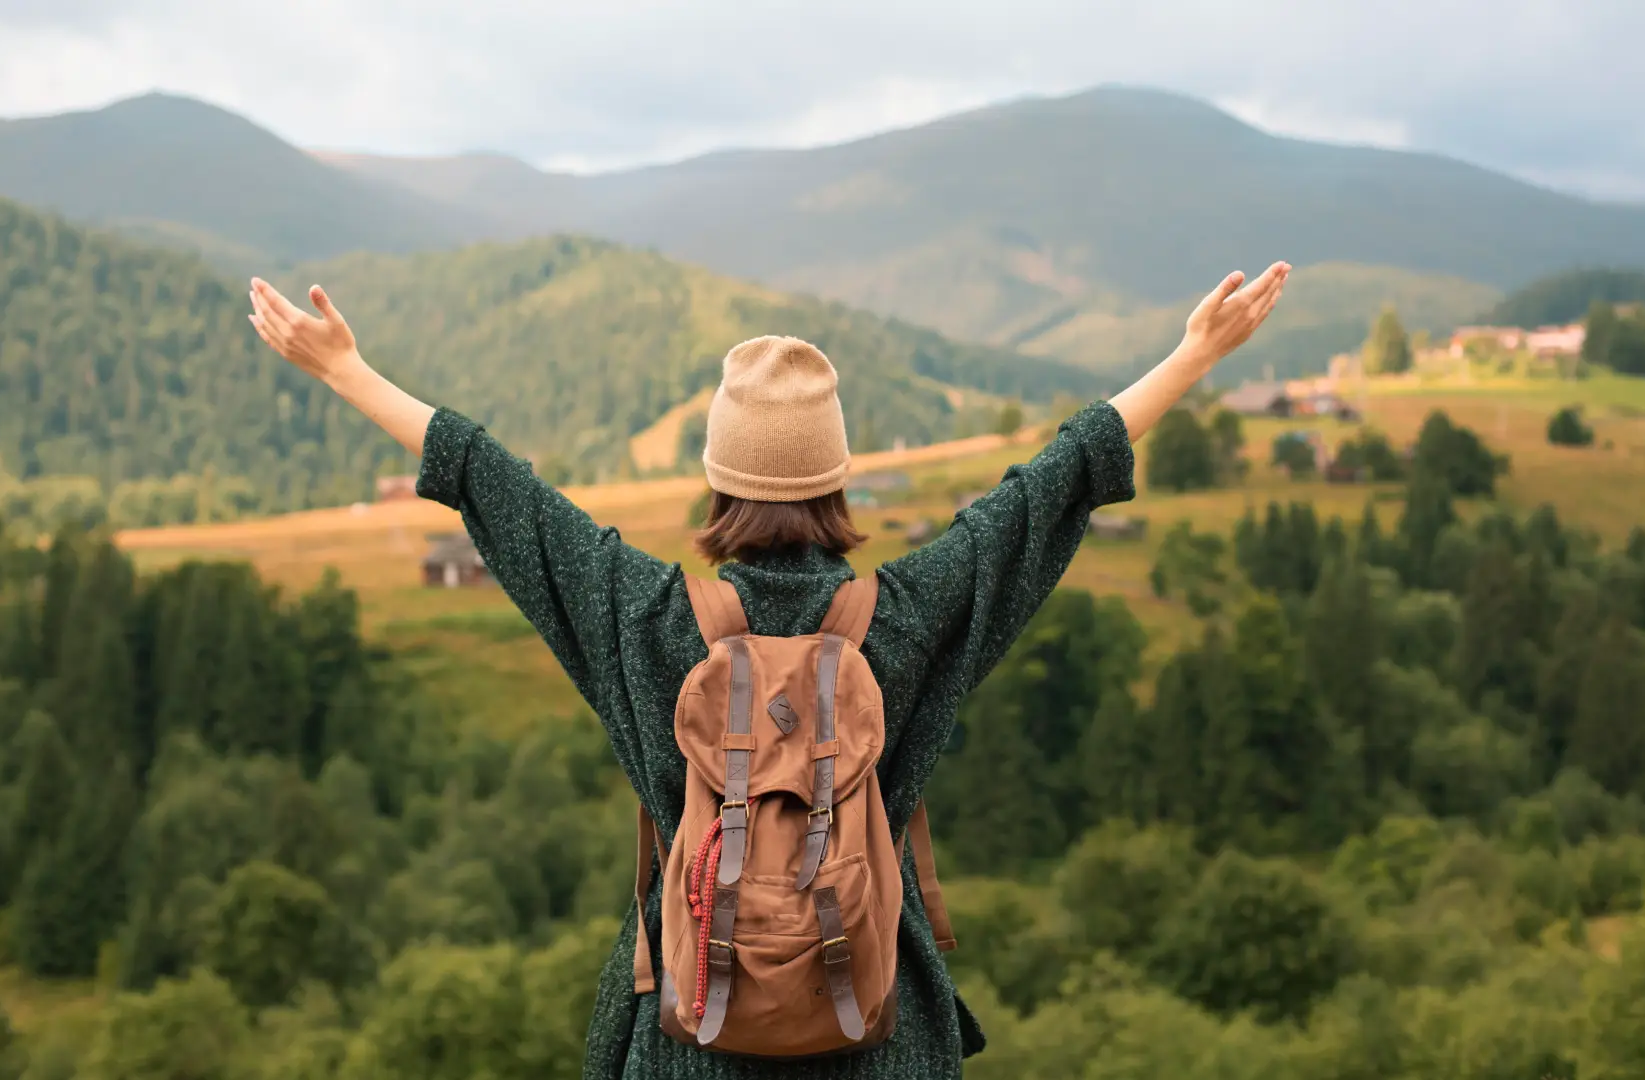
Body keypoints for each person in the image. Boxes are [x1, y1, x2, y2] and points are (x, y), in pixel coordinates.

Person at [246, 260, 1290, 1079]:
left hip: (689, 1034)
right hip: (881, 1033)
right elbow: (1053, 484)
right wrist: (1195, 354)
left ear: (716, 480)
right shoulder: (912, 612)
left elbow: (492, 484)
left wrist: (341, 367)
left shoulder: (643, 613)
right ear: (836, 478)